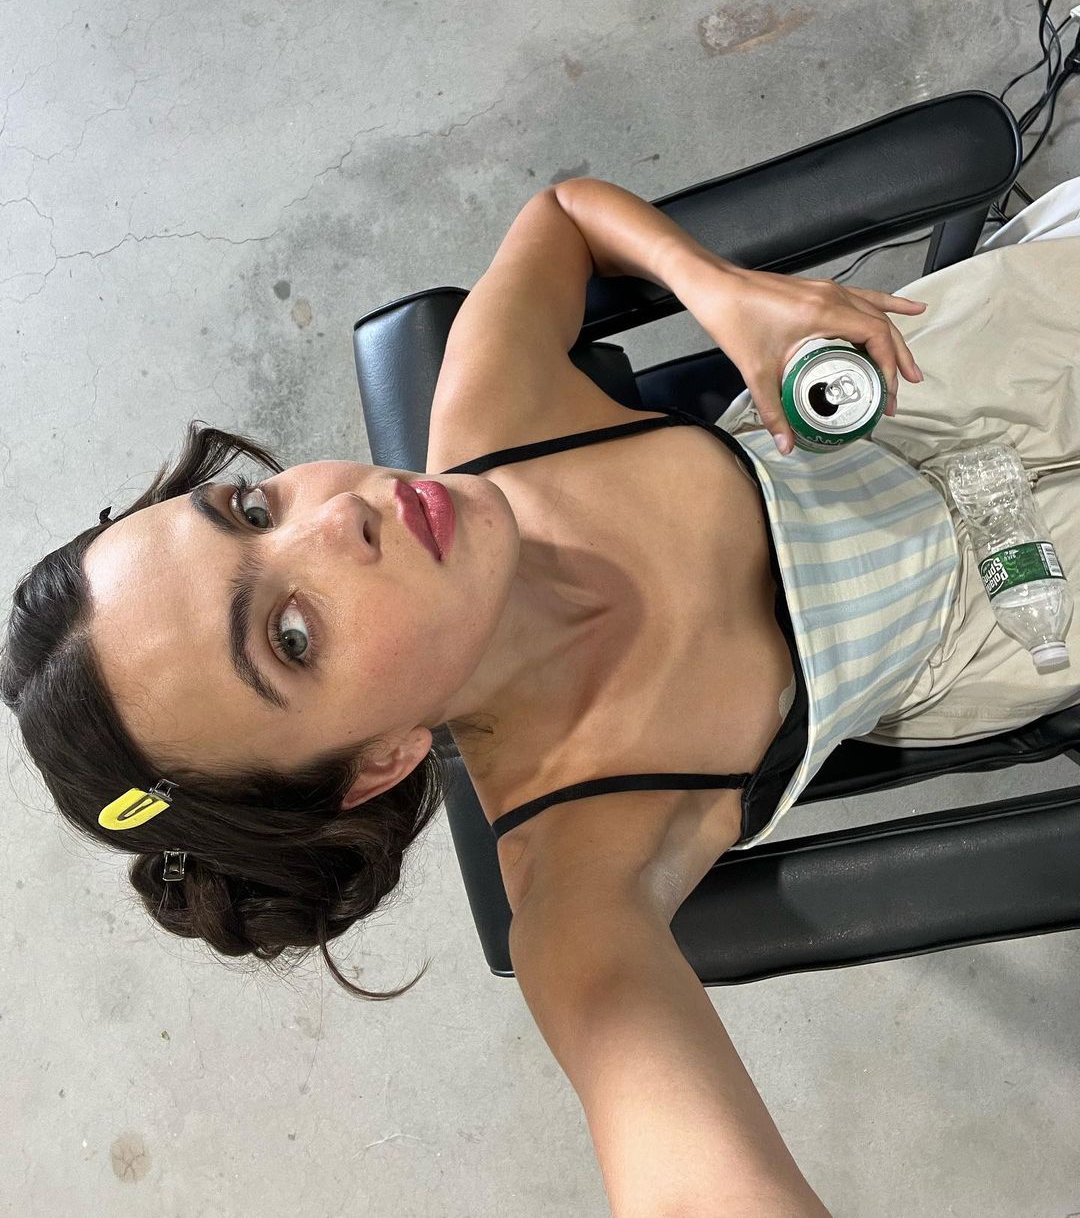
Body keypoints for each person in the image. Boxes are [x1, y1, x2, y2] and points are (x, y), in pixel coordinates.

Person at [4, 175, 1078, 1217]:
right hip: (1007, 618)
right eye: (291, 636)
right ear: (380, 760)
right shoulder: (579, 883)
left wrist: (718, 290)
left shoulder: (496, 415)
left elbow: (562, 214)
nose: (336, 518)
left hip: (918, 388)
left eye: (250, 510)